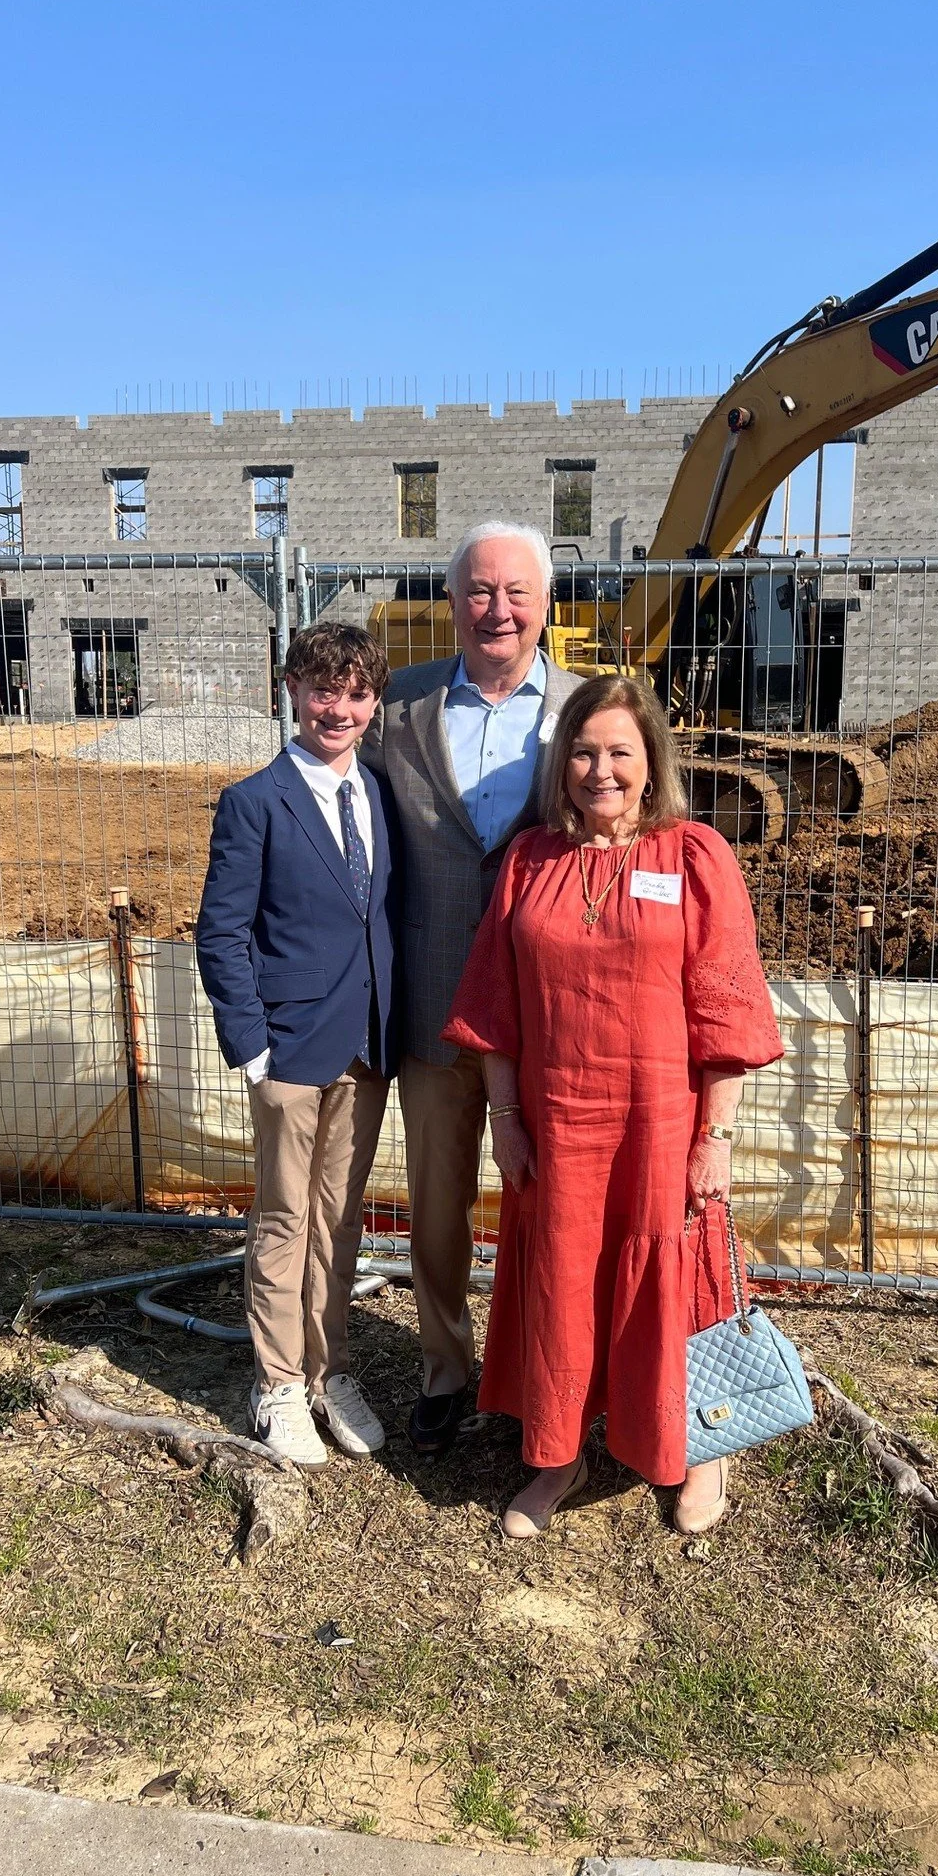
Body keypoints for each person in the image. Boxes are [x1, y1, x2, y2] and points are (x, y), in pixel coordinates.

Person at [440, 673, 784, 1537]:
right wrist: (508, 1122)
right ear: (562, 766)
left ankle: (701, 1446)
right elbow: (496, 1010)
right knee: (561, 1282)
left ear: (650, 761)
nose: (602, 770)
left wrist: (718, 1134)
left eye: (620, 752)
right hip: (559, 1124)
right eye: (585, 752)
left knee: (674, 1279)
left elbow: (727, 1008)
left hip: (661, 1123)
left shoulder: (693, 856)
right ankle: (559, 1453)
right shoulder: (530, 861)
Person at [366, 521, 582, 1455]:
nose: (498, 609)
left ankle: (554, 1378)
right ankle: (447, 1368)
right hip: (435, 1006)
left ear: (545, 605)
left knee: (560, 1204)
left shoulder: (587, 709)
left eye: (516, 593)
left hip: (555, 1016)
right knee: (439, 1202)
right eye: (480, 592)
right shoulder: (399, 706)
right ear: (452, 605)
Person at [196, 622, 398, 1467]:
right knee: (283, 1218)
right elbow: (222, 930)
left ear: (373, 701)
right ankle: (276, 1383)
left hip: (365, 1045)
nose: (338, 708)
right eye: (323, 690)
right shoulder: (256, 801)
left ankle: (330, 1370)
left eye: (355, 693)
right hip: (286, 1049)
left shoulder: (380, 794)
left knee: (339, 1221)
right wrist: (250, 1045)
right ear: (291, 689)